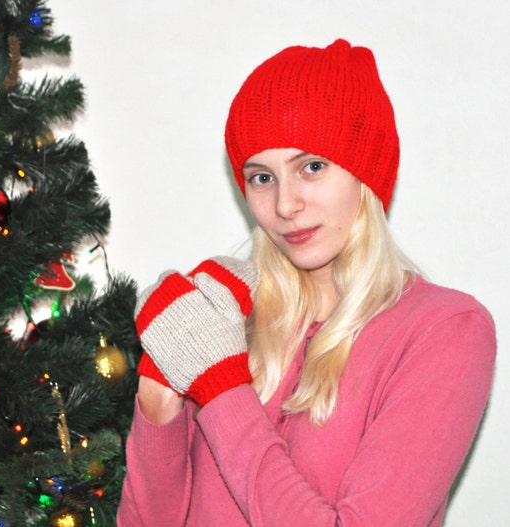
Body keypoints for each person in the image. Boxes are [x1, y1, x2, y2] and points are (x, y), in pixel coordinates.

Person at [117, 39, 496, 526]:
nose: (285, 205)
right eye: (261, 177)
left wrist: (220, 387)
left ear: (366, 175)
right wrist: (158, 395)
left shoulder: (446, 330)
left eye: (312, 167)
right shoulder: (231, 320)